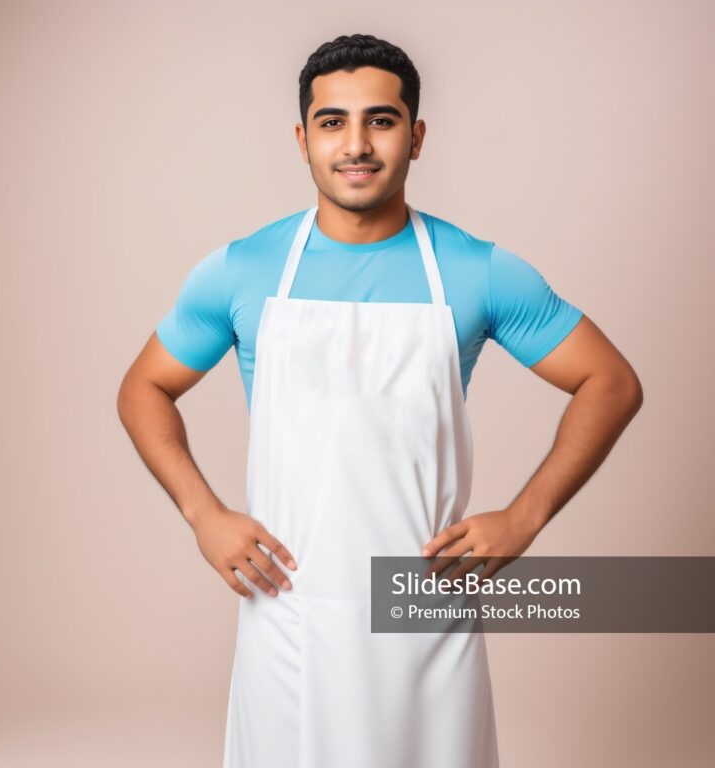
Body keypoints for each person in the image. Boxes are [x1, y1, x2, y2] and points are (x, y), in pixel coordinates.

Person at [117, 33, 643, 768]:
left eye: (381, 120)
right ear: (302, 140)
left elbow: (611, 382)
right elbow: (144, 387)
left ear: (416, 136)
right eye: (333, 122)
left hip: (422, 612)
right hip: (288, 607)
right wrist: (204, 515)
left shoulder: (476, 271)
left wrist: (526, 515)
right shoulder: (243, 270)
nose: (356, 144)